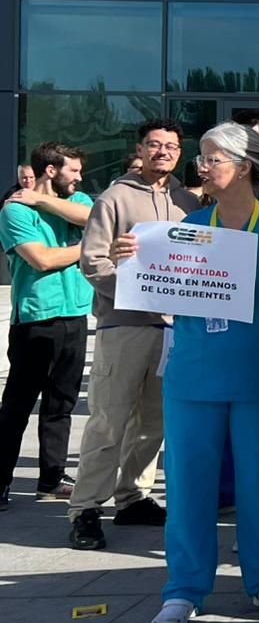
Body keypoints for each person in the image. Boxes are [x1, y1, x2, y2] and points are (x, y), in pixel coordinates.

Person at [137, 124, 259, 623]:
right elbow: (158, 293)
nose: (200, 167)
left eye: (211, 159)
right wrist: (133, 265)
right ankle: (183, 589)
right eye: (202, 159)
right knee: (188, 487)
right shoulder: (189, 225)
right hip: (193, 376)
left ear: (244, 166)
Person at [72, 119, 201, 550]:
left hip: (171, 328)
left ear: (180, 153)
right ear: (140, 149)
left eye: (170, 146)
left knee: (153, 422)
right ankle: (86, 508)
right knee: (109, 419)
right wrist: (137, 292)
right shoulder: (114, 198)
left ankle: (132, 497)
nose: (162, 152)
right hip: (124, 324)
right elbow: (92, 263)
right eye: (154, 145)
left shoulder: (187, 201)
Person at [0, 143, 92, 509]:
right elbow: (41, 259)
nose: (80, 177)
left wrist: (41, 201)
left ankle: (51, 479)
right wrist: (89, 248)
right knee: (18, 405)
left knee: (62, 405)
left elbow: (97, 218)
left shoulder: (78, 199)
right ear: (51, 171)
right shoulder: (13, 211)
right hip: (37, 319)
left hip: (75, 314)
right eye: (74, 170)